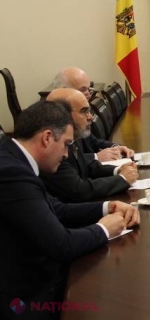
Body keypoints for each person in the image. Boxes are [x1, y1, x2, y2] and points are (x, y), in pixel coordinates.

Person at [0, 100, 140, 319]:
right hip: (25, 297)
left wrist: (107, 207)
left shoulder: (13, 158)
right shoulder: (12, 173)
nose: (67, 155)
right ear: (47, 138)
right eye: (66, 144)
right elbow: (61, 245)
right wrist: (104, 229)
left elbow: (56, 209)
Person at [40, 88, 138, 203]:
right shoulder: (54, 147)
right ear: (63, 115)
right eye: (84, 111)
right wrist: (122, 179)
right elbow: (79, 190)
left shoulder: (74, 136)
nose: (90, 116)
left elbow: (87, 167)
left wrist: (118, 170)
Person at [52, 67, 134, 161]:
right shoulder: (55, 121)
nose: (89, 95)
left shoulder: (79, 112)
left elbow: (92, 141)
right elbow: (66, 161)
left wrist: (116, 147)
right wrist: (96, 157)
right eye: (83, 90)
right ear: (64, 91)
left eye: (89, 89)